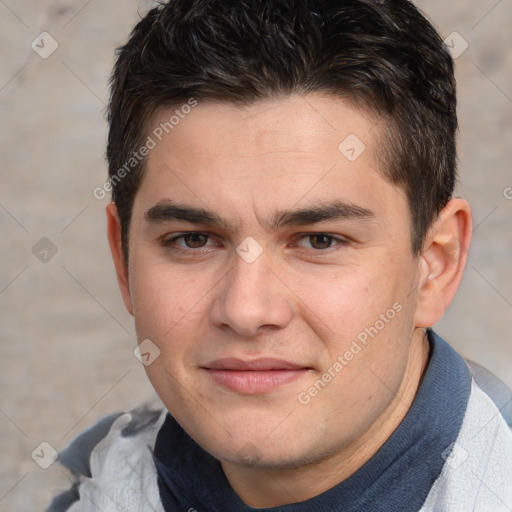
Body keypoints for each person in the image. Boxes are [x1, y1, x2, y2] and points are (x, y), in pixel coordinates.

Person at [46, 0, 512, 510]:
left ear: (434, 266)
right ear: (123, 258)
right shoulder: (96, 487)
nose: (246, 311)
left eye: (320, 241)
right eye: (194, 239)